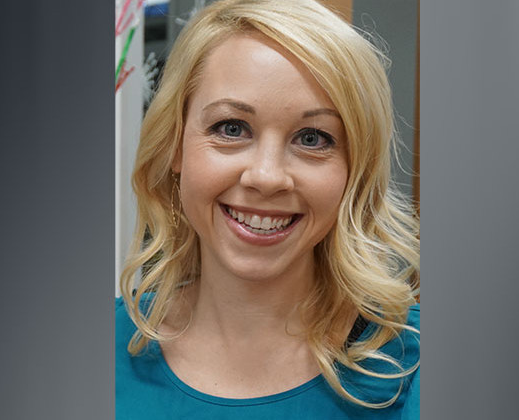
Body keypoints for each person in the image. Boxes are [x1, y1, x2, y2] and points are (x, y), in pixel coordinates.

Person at [116, 0, 420, 418]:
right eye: (231, 128)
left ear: (356, 169)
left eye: (312, 138)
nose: (266, 176)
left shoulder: (415, 367)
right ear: (175, 145)